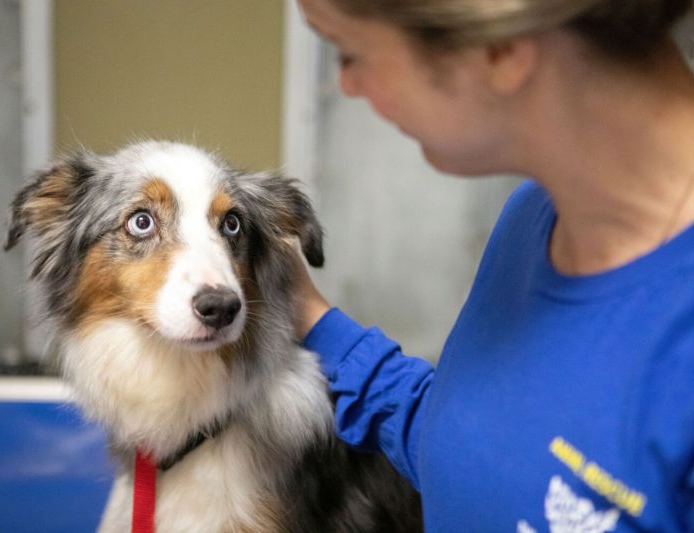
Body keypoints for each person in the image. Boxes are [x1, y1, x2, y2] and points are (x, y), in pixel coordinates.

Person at [292, 0, 694, 531]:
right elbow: (487, 460)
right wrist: (307, 317)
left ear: (498, 49)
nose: (347, 85)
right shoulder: (538, 216)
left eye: (351, 52)